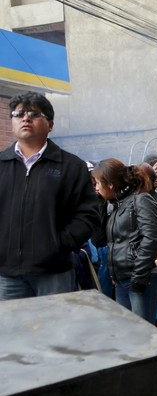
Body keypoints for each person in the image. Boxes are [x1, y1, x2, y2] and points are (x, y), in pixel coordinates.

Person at [0, 92, 100, 299]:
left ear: (50, 124)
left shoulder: (71, 167)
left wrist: (58, 245)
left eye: (34, 113)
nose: (25, 118)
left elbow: (88, 215)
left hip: (54, 273)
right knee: (11, 330)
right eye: (18, 114)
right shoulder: (1, 164)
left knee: (54, 330)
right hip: (6, 274)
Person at [91, 159, 157, 323]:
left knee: (142, 335)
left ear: (109, 184)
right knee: (129, 333)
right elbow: (98, 240)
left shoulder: (141, 199)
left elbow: (153, 237)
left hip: (141, 278)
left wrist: (139, 275)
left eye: (96, 183)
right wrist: (101, 203)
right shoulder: (115, 205)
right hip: (121, 279)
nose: (95, 188)